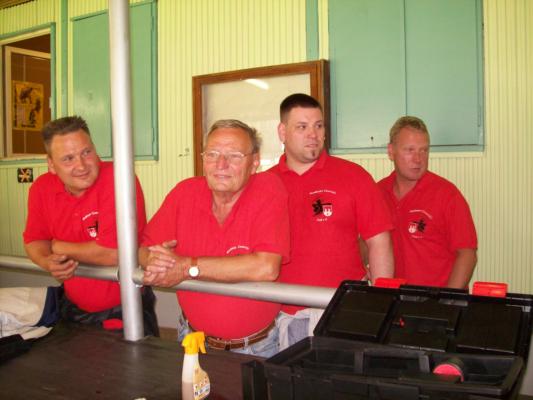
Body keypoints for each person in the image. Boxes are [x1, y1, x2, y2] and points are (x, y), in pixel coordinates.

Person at [139, 119, 290, 357]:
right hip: (193, 340)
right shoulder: (185, 193)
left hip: (257, 348)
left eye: (234, 156)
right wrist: (154, 262)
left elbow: (266, 267)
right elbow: (144, 248)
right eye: (212, 154)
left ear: (255, 162)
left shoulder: (268, 188)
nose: (221, 164)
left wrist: (187, 267)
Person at [270, 93, 394, 349]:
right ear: (282, 132)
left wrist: (380, 301)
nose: (313, 134)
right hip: (285, 314)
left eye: (319, 126)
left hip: (344, 311)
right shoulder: (265, 185)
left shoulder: (354, 176)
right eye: (302, 127)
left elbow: (379, 241)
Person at [23, 116, 158, 336]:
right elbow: (35, 240)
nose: (81, 165)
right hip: (72, 307)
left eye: (86, 152)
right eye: (68, 159)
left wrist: (57, 247)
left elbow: (116, 253)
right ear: (51, 164)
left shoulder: (119, 178)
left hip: (126, 309)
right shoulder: (41, 189)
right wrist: (47, 261)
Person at [378, 116, 477, 288]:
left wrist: (446, 300)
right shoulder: (378, 193)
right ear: (391, 151)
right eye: (409, 150)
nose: (418, 159)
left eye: (424, 150)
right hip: (393, 298)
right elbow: (368, 241)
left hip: (436, 299)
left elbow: (467, 255)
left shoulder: (447, 195)